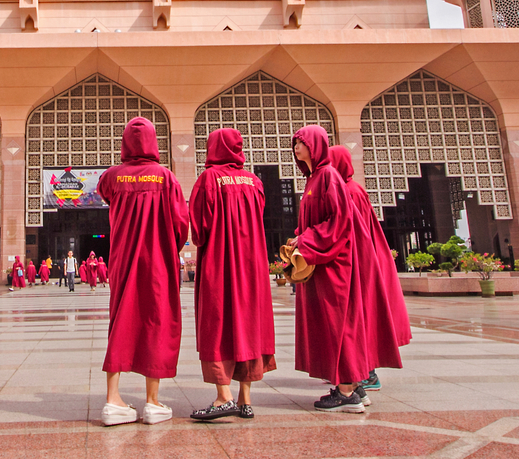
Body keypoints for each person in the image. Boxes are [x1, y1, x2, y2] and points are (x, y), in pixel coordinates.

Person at [97, 117, 188, 427]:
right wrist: (168, 245)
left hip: (122, 261)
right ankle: (152, 402)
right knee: (157, 322)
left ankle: (113, 400)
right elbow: (180, 225)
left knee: (120, 320)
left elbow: (105, 194)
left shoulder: (112, 177)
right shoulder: (166, 178)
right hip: (158, 263)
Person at [188, 128, 276, 421]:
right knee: (248, 324)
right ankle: (245, 399)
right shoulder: (254, 181)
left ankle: (222, 397)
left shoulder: (209, 179)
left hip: (220, 263)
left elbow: (199, 230)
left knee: (219, 323)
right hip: (252, 267)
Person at [288, 125, 371, 413]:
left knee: (339, 323)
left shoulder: (328, 177)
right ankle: (351, 384)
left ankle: (347, 393)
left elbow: (339, 223)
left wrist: (305, 240)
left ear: (316, 145)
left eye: (302, 142)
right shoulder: (313, 179)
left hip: (334, 263)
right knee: (331, 324)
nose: (297, 147)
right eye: (295, 143)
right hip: (320, 262)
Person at [329, 145, 409, 395]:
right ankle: (356, 372)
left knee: (360, 317)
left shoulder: (349, 191)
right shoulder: (351, 189)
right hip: (362, 260)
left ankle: (366, 374)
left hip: (359, 263)